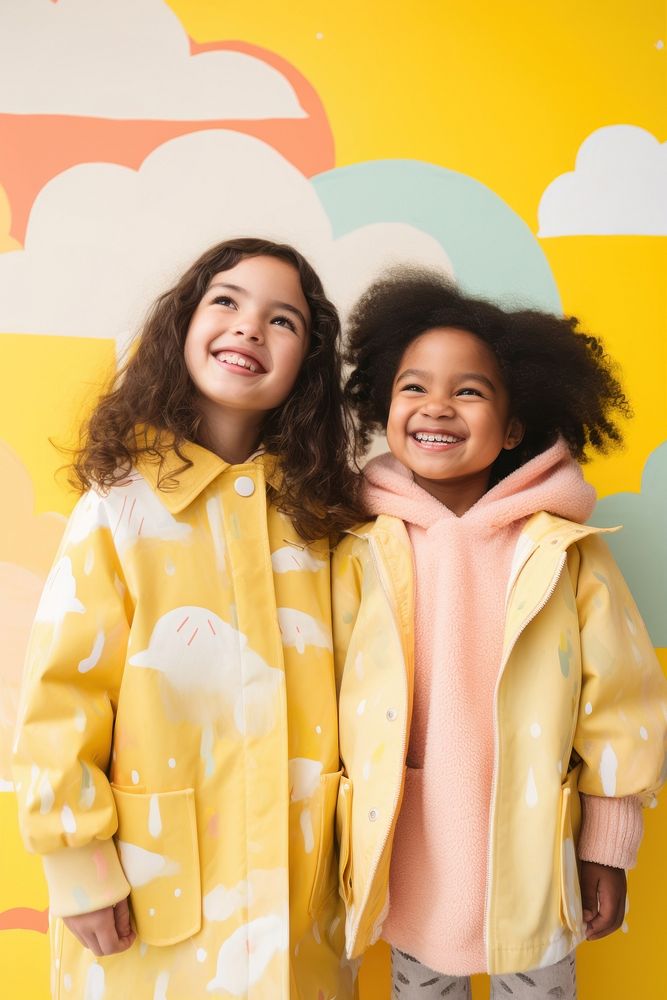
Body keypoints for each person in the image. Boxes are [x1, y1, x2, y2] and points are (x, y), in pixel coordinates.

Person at [13, 238, 363, 1000]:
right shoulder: (120, 507)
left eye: (283, 321)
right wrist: (79, 865)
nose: (249, 328)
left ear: (306, 363)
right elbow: (60, 696)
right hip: (151, 893)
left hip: (298, 896)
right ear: (184, 325)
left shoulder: (320, 520)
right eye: (227, 302)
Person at [331, 270, 667, 999]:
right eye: (412, 387)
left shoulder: (564, 550)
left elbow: (619, 704)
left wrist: (605, 848)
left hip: (534, 854)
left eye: (469, 391)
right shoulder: (357, 547)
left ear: (513, 426)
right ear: (384, 408)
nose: (437, 407)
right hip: (408, 849)